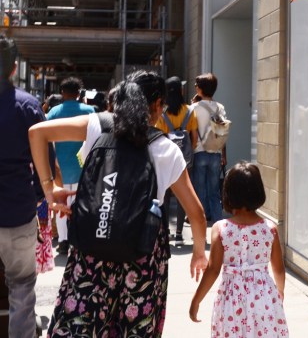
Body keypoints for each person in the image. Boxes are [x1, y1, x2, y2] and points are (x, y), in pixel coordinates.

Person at [28, 70, 208, 337]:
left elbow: (37, 133)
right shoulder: (166, 148)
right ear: (157, 105)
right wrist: (199, 253)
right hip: (142, 256)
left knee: (81, 325)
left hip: (93, 246)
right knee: (135, 329)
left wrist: (49, 188)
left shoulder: (96, 125)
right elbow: (196, 212)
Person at [189, 161, 288, 337]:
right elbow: (278, 269)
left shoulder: (221, 229)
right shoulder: (270, 229)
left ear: (228, 194)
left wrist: (196, 300)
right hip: (264, 298)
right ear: (259, 192)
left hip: (231, 301)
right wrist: (279, 292)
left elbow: (213, 270)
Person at [0, 36, 49, 337]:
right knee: (21, 287)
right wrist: (39, 196)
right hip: (18, 211)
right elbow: (44, 160)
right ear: (14, 67)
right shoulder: (28, 106)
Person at [46, 77, 95, 255]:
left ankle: (64, 241)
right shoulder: (89, 111)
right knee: (79, 206)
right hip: (83, 167)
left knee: (61, 205)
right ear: (78, 93)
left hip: (60, 168)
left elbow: (47, 141)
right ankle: (77, 240)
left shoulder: (53, 112)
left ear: (62, 93)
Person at [155, 76, 198, 244]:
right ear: (181, 91)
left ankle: (165, 230)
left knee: (164, 195)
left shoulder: (163, 112)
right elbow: (194, 137)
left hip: (165, 159)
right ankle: (179, 234)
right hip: (184, 160)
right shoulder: (189, 111)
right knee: (183, 195)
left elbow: (159, 136)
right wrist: (189, 152)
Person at [192, 73, 227, 224]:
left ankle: (202, 222)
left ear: (200, 89)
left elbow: (191, 131)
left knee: (200, 191)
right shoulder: (220, 108)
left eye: (196, 85)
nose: (195, 87)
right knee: (214, 192)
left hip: (199, 152)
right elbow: (222, 132)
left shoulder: (193, 108)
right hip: (215, 153)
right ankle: (218, 223)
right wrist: (224, 155)